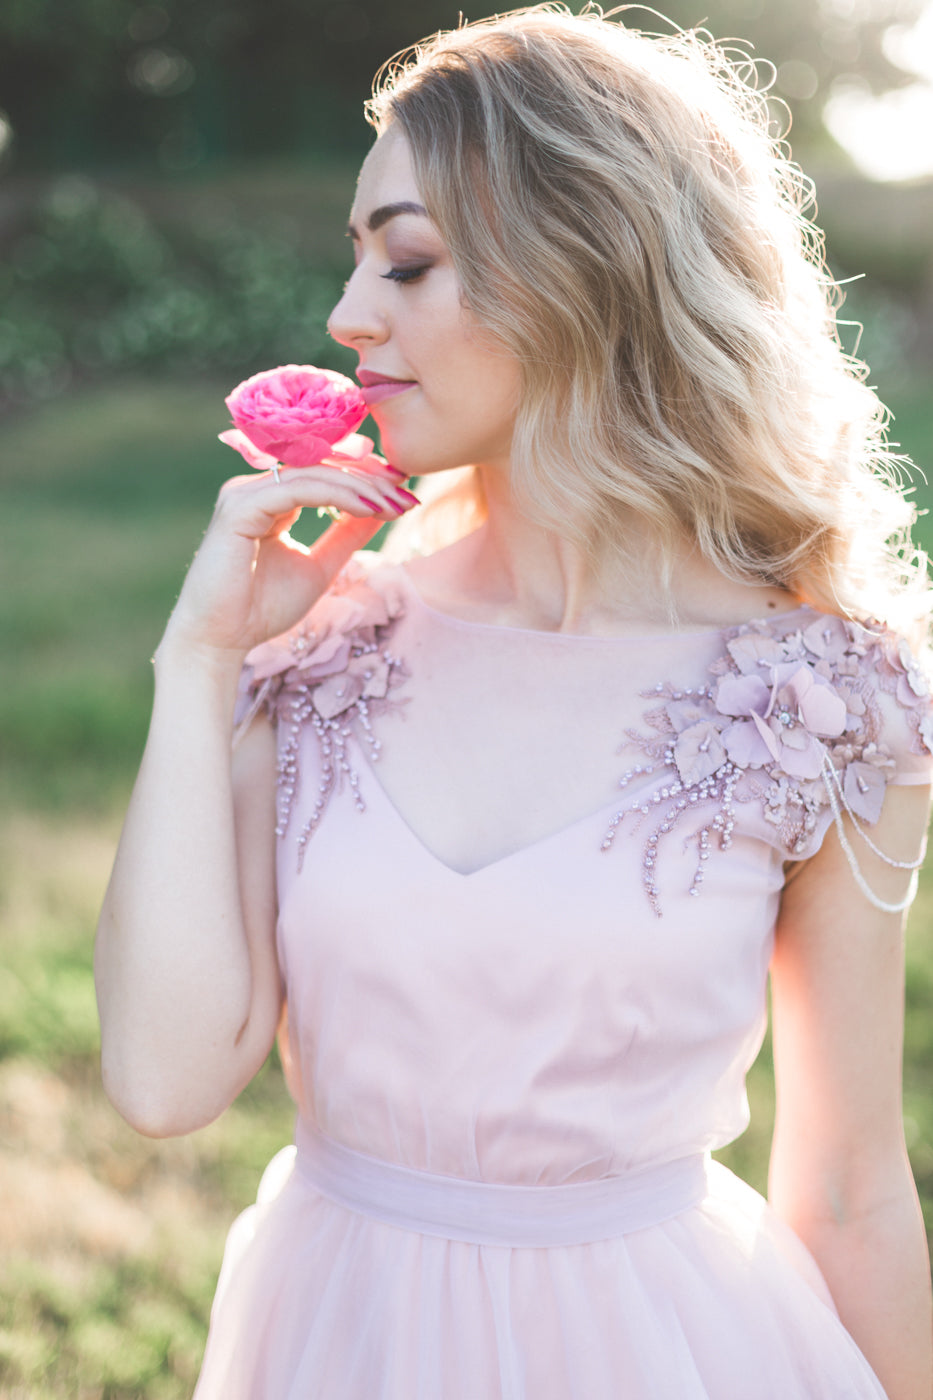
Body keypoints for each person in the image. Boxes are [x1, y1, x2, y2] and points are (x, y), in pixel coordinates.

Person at [95, 6, 933, 1397]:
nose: (347, 314)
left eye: (407, 259)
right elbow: (165, 1084)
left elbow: (845, 1184)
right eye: (358, 253)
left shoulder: (823, 699)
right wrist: (199, 668)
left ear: (584, 270)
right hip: (339, 1341)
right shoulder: (323, 649)